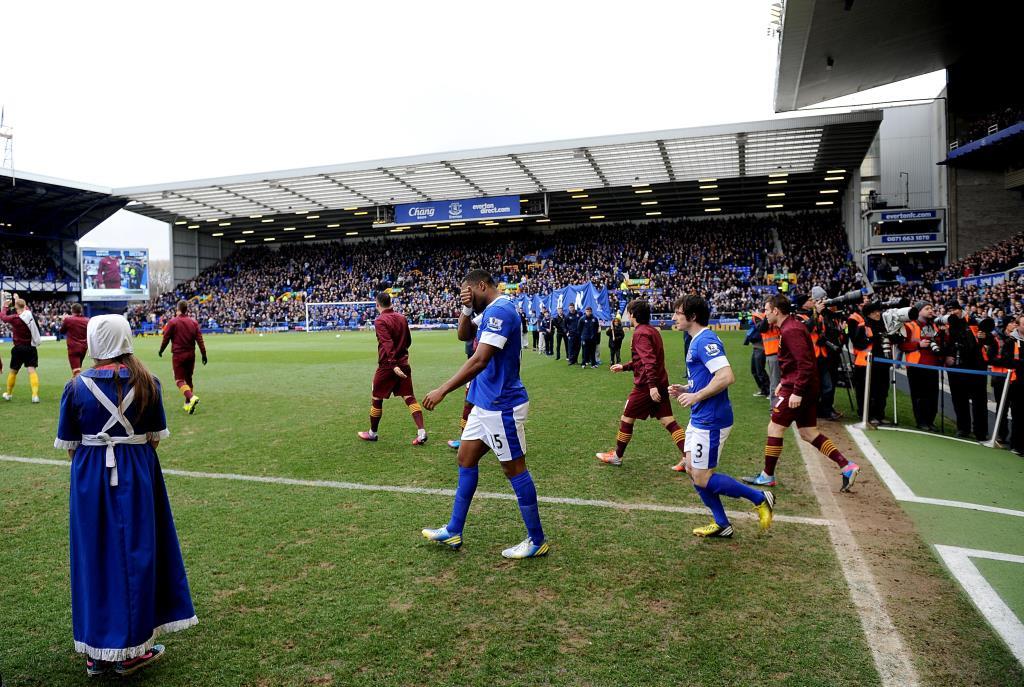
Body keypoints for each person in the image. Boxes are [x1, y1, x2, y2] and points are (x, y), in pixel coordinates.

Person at [55, 314, 196, 677]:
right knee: (137, 554)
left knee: (94, 558)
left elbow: (70, 445)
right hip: (137, 473)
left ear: (94, 342)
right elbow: (153, 439)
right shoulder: (149, 383)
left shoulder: (76, 387)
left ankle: (97, 651)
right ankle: (130, 648)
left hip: (90, 479)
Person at [421, 269, 548, 559]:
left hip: (502, 405)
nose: (465, 297)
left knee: (514, 470)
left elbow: (479, 359)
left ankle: (537, 540)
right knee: (465, 458)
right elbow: (463, 335)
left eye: (467, 292)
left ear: (481, 286)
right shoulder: (490, 310)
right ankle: (454, 530)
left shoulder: (500, 311)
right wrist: (466, 308)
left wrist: (443, 390)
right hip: (484, 403)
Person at [668, 295, 774, 537]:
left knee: (702, 477)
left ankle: (760, 498)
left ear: (692, 316)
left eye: (678, 313)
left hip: (711, 418)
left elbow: (726, 376)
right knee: (691, 469)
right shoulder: (696, 339)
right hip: (700, 416)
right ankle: (722, 524)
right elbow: (707, 377)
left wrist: (696, 396)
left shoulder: (704, 340)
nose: (674, 317)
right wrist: (686, 389)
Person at [743, 295, 860, 492]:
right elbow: (795, 362)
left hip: (799, 388)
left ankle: (767, 475)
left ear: (776, 311)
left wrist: (796, 391)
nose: (765, 314)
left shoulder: (791, 330)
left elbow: (805, 363)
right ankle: (846, 466)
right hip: (801, 386)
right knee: (808, 432)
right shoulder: (791, 327)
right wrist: (783, 382)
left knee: (775, 428)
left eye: (767, 310)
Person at [594, 299, 688, 467]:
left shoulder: (640, 333)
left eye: (629, 313)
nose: (628, 316)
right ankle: (689, 458)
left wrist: (651, 386)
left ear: (633, 315)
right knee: (668, 420)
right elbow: (643, 360)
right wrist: (624, 367)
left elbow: (649, 361)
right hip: (660, 382)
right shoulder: (652, 331)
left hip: (646, 386)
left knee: (626, 418)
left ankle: (617, 456)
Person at [357, 292, 427, 445]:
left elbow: (387, 343)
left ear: (377, 304)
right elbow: (408, 341)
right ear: (390, 302)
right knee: (409, 396)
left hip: (388, 366)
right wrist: (401, 357)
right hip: (403, 363)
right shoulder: (402, 318)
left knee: (377, 397)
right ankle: (421, 432)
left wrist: (393, 364)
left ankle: (372, 433)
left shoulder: (380, 320)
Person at [938, 307, 989, 441]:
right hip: (956, 368)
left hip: (976, 368)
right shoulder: (946, 325)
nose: (953, 312)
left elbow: (988, 342)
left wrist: (985, 337)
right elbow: (942, 345)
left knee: (979, 401)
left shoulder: (975, 322)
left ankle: (981, 432)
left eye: (955, 309)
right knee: (959, 400)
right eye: (950, 310)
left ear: (961, 310)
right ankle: (963, 428)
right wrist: (946, 356)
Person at [158, 300, 208, 415]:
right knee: (188, 379)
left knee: (179, 380)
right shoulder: (193, 322)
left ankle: (191, 397)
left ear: (178, 309)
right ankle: (187, 404)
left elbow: (166, 338)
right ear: (186, 310)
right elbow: (200, 340)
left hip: (178, 355)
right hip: (191, 355)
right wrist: (204, 354)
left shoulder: (173, 322)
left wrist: (161, 350)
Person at [899, 302, 940, 431]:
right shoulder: (909, 325)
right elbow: (901, 345)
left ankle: (930, 421)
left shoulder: (935, 325)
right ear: (918, 311)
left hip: (933, 365)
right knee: (919, 396)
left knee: (933, 396)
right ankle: (921, 421)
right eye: (927, 308)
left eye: (931, 308)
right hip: (916, 365)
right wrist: (918, 345)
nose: (930, 310)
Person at [851, 302, 890, 425]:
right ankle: (867, 415)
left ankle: (879, 414)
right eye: (874, 312)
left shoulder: (885, 325)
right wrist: (872, 338)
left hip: (882, 363)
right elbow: (857, 344)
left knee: (882, 391)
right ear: (868, 314)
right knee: (867, 391)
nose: (878, 314)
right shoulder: (863, 326)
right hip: (865, 364)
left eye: (878, 311)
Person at [1, 295, 42, 403]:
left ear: (15, 307)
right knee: (32, 370)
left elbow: (3, 317)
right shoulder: (30, 314)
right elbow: (24, 307)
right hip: (30, 347)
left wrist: (5, 306)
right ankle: (35, 395)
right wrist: (17, 299)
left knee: (13, 371)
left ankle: (8, 394)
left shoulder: (15, 318)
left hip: (18, 348)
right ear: (25, 306)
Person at [995, 315, 1024, 455]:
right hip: (1013, 382)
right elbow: (1006, 361)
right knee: (1013, 412)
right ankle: (1014, 443)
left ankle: (1018, 444)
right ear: (1018, 325)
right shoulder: (1010, 341)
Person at [744, 312, 770, 397]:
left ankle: (769, 391)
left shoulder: (759, 321)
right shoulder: (756, 321)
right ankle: (763, 390)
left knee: (760, 371)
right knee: (754, 371)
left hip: (761, 348)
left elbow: (757, 332)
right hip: (756, 348)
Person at [60, 302, 90, 377]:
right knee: (78, 369)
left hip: (73, 348)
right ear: (81, 310)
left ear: (72, 310)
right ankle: (75, 383)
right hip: (83, 348)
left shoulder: (68, 320)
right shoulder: (87, 320)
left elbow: (62, 331)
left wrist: (63, 320)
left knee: (76, 372)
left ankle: (79, 384)